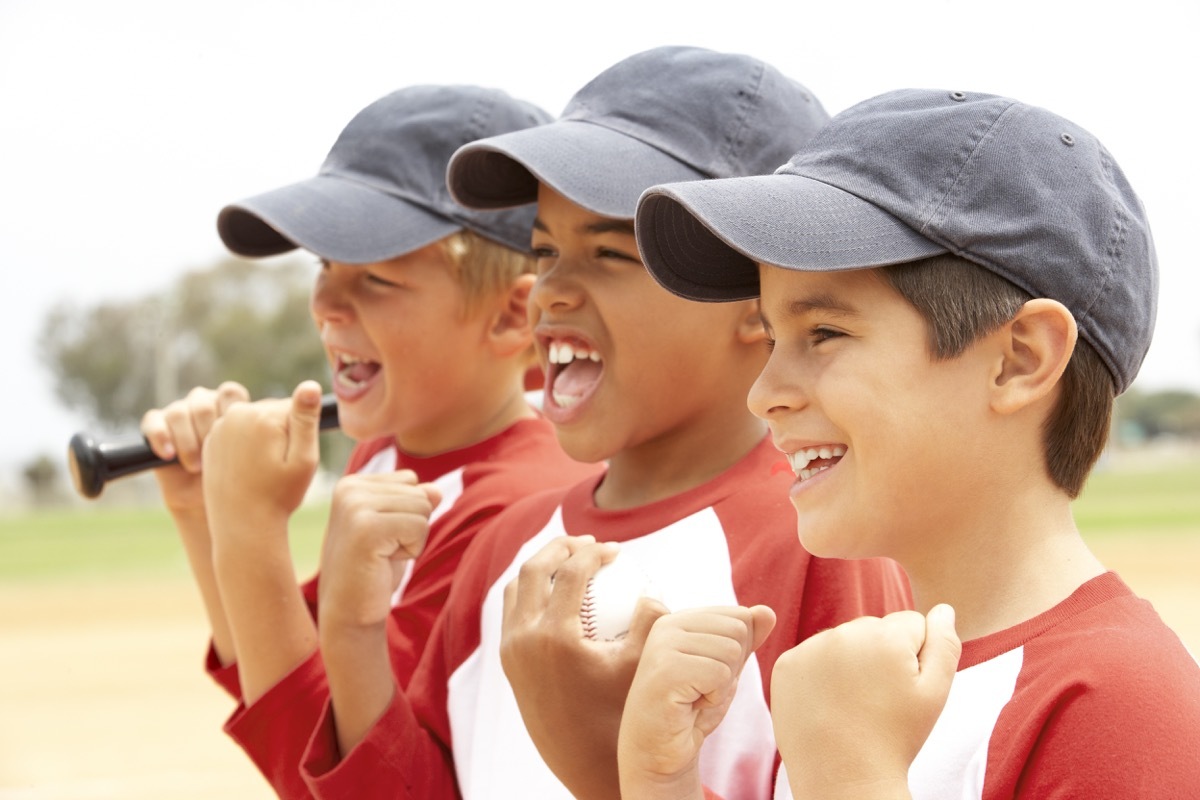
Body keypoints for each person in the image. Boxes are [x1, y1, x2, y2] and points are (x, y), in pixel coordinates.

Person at [298, 45, 912, 800]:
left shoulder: (821, 549)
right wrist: (353, 639)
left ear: (758, 302)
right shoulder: (504, 552)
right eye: (546, 249)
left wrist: (604, 760)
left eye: (613, 253)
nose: (550, 289)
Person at [622, 87, 1200, 798]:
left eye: (824, 333)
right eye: (772, 337)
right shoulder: (870, 683)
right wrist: (662, 779)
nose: (764, 391)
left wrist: (849, 776)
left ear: (1019, 358)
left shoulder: (1121, 703)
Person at [139, 84, 600, 800]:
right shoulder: (390, 453)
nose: (324, 305)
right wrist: (206, 515)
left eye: (377, 279)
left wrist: (250, 533)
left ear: (513, 316)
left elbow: (324, 768)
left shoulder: (516, 508)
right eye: (324, 267)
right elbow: (291, 682)